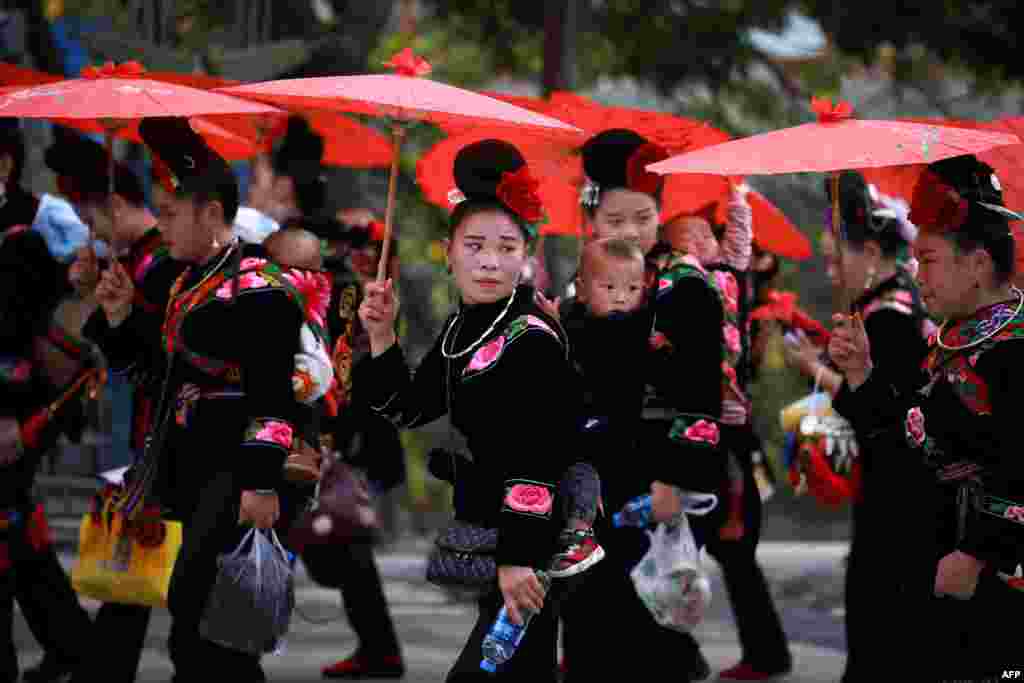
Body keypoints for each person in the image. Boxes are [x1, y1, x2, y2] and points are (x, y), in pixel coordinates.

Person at [85, 115, 309, 681]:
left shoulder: (259, 289)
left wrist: (261, 484)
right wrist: (117, 316)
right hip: (190, 464)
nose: (160, 225)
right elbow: (152, 370)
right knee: (198, 623)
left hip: (236, 471)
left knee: (209, 624)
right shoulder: (181, 281)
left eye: (170, 213)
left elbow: (272, 398)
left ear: (211, 215)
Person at [357, 139, 579, 681]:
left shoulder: (531, 336)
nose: (489, 261)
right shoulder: (463, 327)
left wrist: (519, 558)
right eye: (475, 245)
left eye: (506, 247)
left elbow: (538, 456)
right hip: (493, 534)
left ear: (525, 256)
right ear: (448, 250)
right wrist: (382, 333)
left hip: (529, 540)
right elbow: (407, 408)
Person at [831, 155, 1024, 681]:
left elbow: (1017, 468)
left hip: (988, 577)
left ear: (979, 264)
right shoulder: (956, 339)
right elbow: (909, 432)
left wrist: (977, 552)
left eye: (931, 258)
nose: (918, 272)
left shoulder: (1011, 351)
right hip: (929, 558)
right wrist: (862, 374)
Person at [45, 132, 188, 683]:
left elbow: (153, 356)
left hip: (168, 436)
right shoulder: (132, 264)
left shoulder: (158, 265)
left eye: (90, 218)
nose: (90, 231)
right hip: (146, 437)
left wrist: (121, 312)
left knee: (147, 577)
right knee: (130, 577)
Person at [663, 188, 793, 681]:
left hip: (730, 435)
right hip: (696, 428)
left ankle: (764, 653)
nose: (692, 239)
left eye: (699, 230)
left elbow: (740, 237)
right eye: (681, 235)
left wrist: (736, 195)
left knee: (732, 554)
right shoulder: (675, 280)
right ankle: (681, 653)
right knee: (678, 548)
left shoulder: (730, 275)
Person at [0, 123, 95, 683]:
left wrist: (8, 415)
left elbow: (12, 337)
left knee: (7, 526)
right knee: (19, 532)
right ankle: (73, 644)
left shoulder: (23, 236)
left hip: (16, 406)